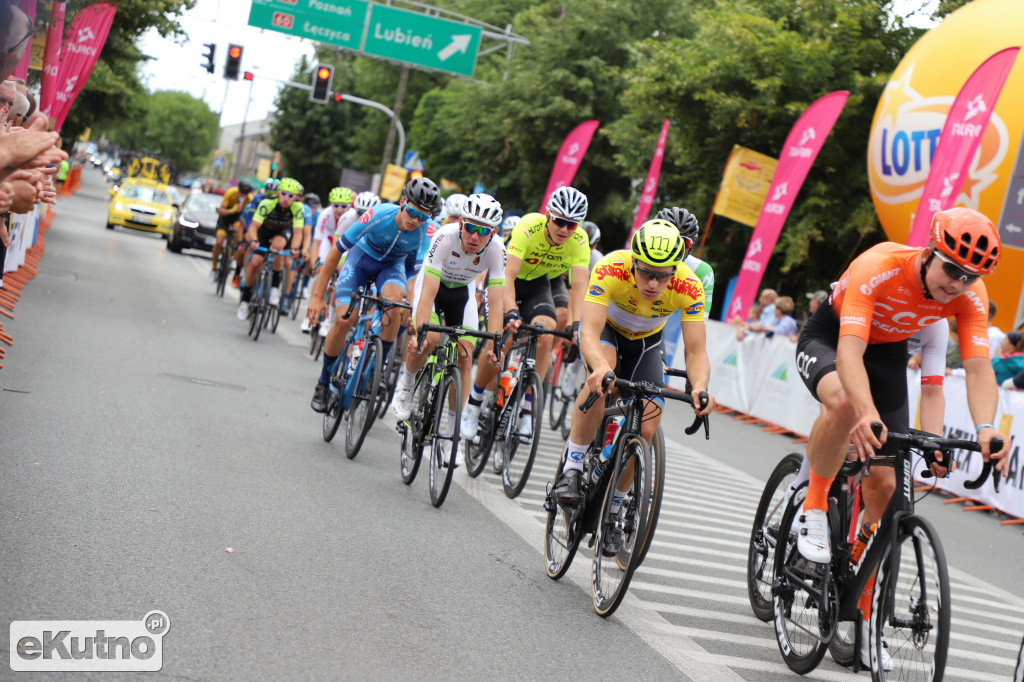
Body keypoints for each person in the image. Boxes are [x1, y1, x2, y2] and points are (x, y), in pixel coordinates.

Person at [793, 207, 1010, 665]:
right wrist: (867, 413)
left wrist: (988, 427)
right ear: (930, 252)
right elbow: (850, 349)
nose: (957, 283)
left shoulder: (967, 297)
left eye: (970, 277)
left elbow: (977, 369)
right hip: (833, 339)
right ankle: (814, 504)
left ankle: (868, 618)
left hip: (887, 357)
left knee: (887, 488)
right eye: (951, 268)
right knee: (847, 405)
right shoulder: (880, 266)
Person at [551, 219, 716, 517]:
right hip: (607, 332)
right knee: (602, 384)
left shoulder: (689, 284)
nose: (654, 283)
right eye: (646, 273)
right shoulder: (611, 266)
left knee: (649, 423)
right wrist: (599, 367)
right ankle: (572, 467)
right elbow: (588, 331)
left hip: (647, 343)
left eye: (663, 276)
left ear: (675, 269)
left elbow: (695, 351)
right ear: (633, 262)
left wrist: (701, 385)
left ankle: (613, 509)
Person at [306, 176, 442, 414]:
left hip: (392, 266)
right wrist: (317, 296)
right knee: (345, 319)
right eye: (412, 212)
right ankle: (324, 381)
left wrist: (416, 312)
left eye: (423, 216)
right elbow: (336, 253)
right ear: (402, 202)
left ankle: (376, 369)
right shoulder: (379, 214)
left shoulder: (427, 231)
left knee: (395, 304)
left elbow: (420, 278)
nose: (416, 220)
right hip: (361, 259)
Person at [463, 186, 589, 441]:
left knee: (546, 330)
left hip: (538, 285)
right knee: (498, 345)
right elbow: (507, 277)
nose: (564, 229)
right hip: (506, 280)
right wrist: (510, 312)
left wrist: (577, 326)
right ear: (548, 214)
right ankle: (474, 403)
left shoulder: (580, 242)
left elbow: (578, 288)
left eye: (572, 225)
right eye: (560, 221)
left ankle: (527, 409)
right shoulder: (528, 226)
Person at [392, 194, 507, 466]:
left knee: (465, 357)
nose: (475, 236)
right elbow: (429, 288)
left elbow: (497, 297)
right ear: (461, 223)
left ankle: (452, 434)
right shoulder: (445, 236)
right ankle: (406, 385)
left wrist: (494, 343)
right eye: (470, 227)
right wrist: (419, 329)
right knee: (429, 338)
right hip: (434, 286)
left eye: (484, 231)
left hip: (462, 294)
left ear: (493, 233)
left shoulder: (497, 249)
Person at [235, 177, 304, 320]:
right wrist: (254, 240)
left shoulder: (298, 208)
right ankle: (245, 301)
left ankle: (274, 289)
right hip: (264, 231)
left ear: (295, 197)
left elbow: (298, 233)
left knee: (278, 247)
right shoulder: (267, 204)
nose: (286, 198)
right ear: (278, 193)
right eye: (283, 194)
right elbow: (253, 227)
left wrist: (295, 249)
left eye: (290, 196)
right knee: (254, 263)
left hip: (282, 232)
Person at [654, 207, 715, 319]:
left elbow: (700, 321)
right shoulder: (630, 259)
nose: (674, 248)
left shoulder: (701, 272)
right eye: (667, 239)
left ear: (691, 247)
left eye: (683, 242)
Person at [210, 179, 252, 283]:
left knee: (237, 231)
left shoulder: (250, 199)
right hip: (225, 218)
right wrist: (231, 210)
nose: (243, 196)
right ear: (238, 190)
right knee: (219, 242)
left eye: (245, 194)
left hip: (237, 219)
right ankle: (214, 268)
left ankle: (233, 255)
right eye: (241, 193)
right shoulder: (231, 192)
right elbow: (220, 210)